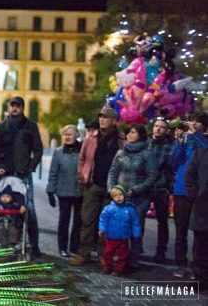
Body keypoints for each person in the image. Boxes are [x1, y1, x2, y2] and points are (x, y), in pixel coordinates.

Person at [70, 105, 125, 266]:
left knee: (107, 223)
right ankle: (84, 253)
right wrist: (82, 176)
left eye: (106, 117)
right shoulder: (91, 138)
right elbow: (82, 159)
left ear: (114, 121)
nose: (101, 119)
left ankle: (104, 254)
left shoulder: (121, 140)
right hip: (93, 185)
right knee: (87, 220)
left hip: (112, 189)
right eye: (100, 117)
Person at [0, 96, 43, 258]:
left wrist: (30, 167)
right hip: (5, 174)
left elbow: (38, 150)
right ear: (9, 108)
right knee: (1, 207)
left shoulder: (31, 126)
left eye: (18, 106)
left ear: (22, 108)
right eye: (12, 106)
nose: (15, 108)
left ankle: (34, 246)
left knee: (29, 209)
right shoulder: (2, 127)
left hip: (24, 174)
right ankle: (0, 239)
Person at [107, 123, 158, 270]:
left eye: (133, 132)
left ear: (140, 135)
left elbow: (152, 175)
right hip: (119, 197)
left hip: (139, 198)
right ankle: (119, 259)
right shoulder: (121, 153)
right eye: (128, 132)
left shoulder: (147, 154)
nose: (129, 135)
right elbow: (113, 172)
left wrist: (136, 190)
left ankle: (133, 260)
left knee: (136, 228)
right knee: (119, 227)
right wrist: (112, 190)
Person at [170, 112, 208, 278]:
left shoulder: (202, 140)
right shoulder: (186, 140)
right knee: (181, 231)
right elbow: (173, 163)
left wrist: (196, 135)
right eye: (192, 121)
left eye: (197, 122)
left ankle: (198, 267)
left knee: (200, 234)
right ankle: (181, 263)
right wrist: (178, 143)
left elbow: (204, 151)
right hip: (182, 191)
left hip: (201, 194)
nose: (193, 124)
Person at [47, 125, 83, 257]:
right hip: (64, 191)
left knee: (78, 221)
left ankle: (74, 247)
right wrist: (50, 191)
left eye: (70, 134)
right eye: (65, 135)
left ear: (76, 136)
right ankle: (62, 247)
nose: (67, 137)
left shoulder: (82, 151)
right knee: (64, 221)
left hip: (80, 191)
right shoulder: (58, 152)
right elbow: (53, 173)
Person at [147, 118, 174, 263]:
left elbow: (171, 168)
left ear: (166, 130)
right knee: (137, 219)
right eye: (156, 126)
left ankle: (161, 250)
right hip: (144, 187)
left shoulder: (169, 146)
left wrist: (168, 186)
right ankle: (137, 248)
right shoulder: (145, 144)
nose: (158, 129)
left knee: (162, 222)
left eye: (162, 127)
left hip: (160, 188)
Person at [98, 185, 142, 276]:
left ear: (125, 195)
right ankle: (108, 266)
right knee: (108, 252)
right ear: (112, 198)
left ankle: (119, 268)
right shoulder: (109, 209)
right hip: (111, 236)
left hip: (124, 237)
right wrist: (102, 229)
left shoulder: (130, 209)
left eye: (120, 195)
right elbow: (103, 219)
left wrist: (136, 234)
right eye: (115, 196)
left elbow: (135, 222)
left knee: (123, 255)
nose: (118, 198)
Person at [185, 147, 208, 283]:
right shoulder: (201, 152)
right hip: (203, 205)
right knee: (200, 244)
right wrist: (194, 195)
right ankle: (201, 278)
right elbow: (190, 175)